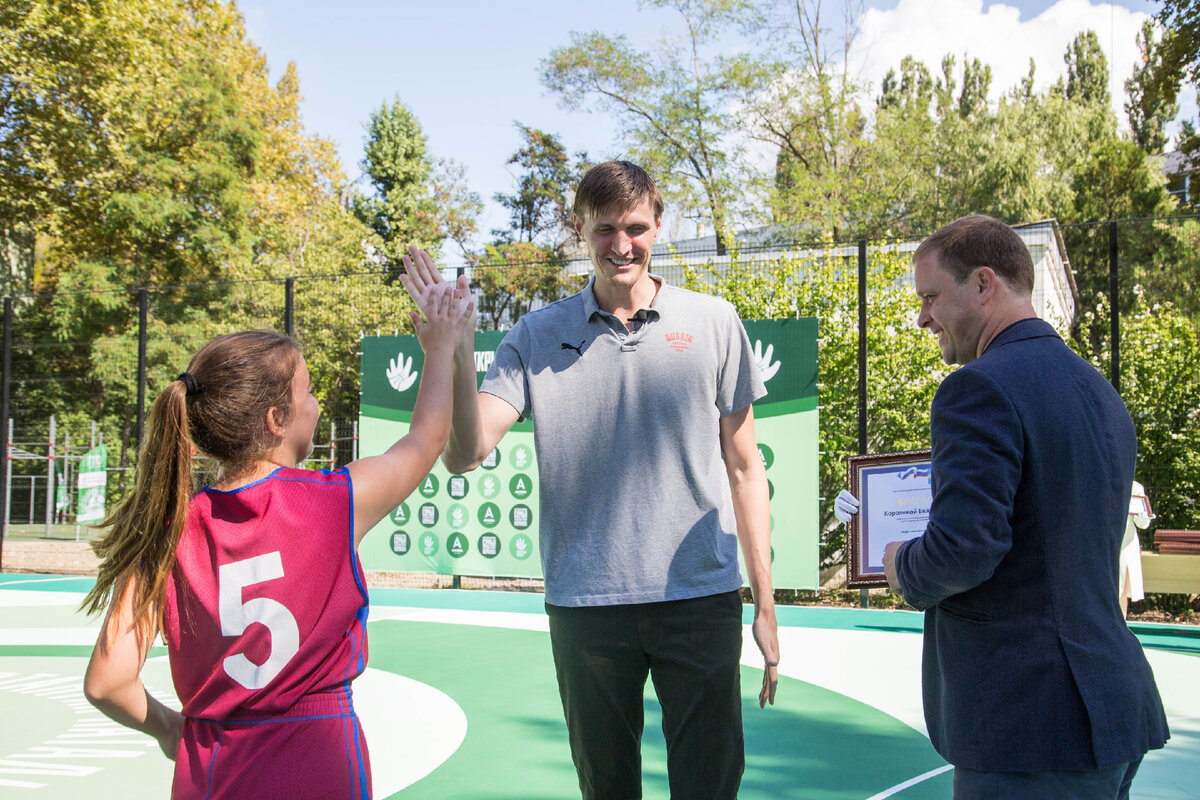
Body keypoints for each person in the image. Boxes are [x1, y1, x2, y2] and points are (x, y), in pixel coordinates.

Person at [401, 160, 779, 800]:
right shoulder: (535, 335)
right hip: (587, 607)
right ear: (580, 229)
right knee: (607, 790)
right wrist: (456, 350)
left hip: (700, 599)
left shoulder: (715, 323)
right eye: (605, 229)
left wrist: (765, 603)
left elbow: (745, 469)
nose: (621, 245)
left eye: (635, 227)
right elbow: (463, 454)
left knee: (712, 787)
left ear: (660, 225)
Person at [80, 285, 473, 799]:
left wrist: (172, 729)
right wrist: (441, 350)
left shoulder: (165, 530)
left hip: (211, 767)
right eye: (307, 393)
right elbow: (426, 438)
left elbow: (107, 683)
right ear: (276, 420)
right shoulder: (334, 503)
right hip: (318, 760)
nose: (315, 403)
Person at [837, 215, 1168, 799]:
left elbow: (962, 551)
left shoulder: (977, 388)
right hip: (1113, 710)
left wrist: (898, 566)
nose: (922, 317)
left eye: (931, 297)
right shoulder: (1100, 392)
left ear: (984, 283)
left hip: (1029, 728)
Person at [1120, 481, 1153, 617]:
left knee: (1122, 592)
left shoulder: (1136, 487)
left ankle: (1120, 628)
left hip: (1126, 545)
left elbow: (1144, 524)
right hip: (1101, 543)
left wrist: (1142, 515)